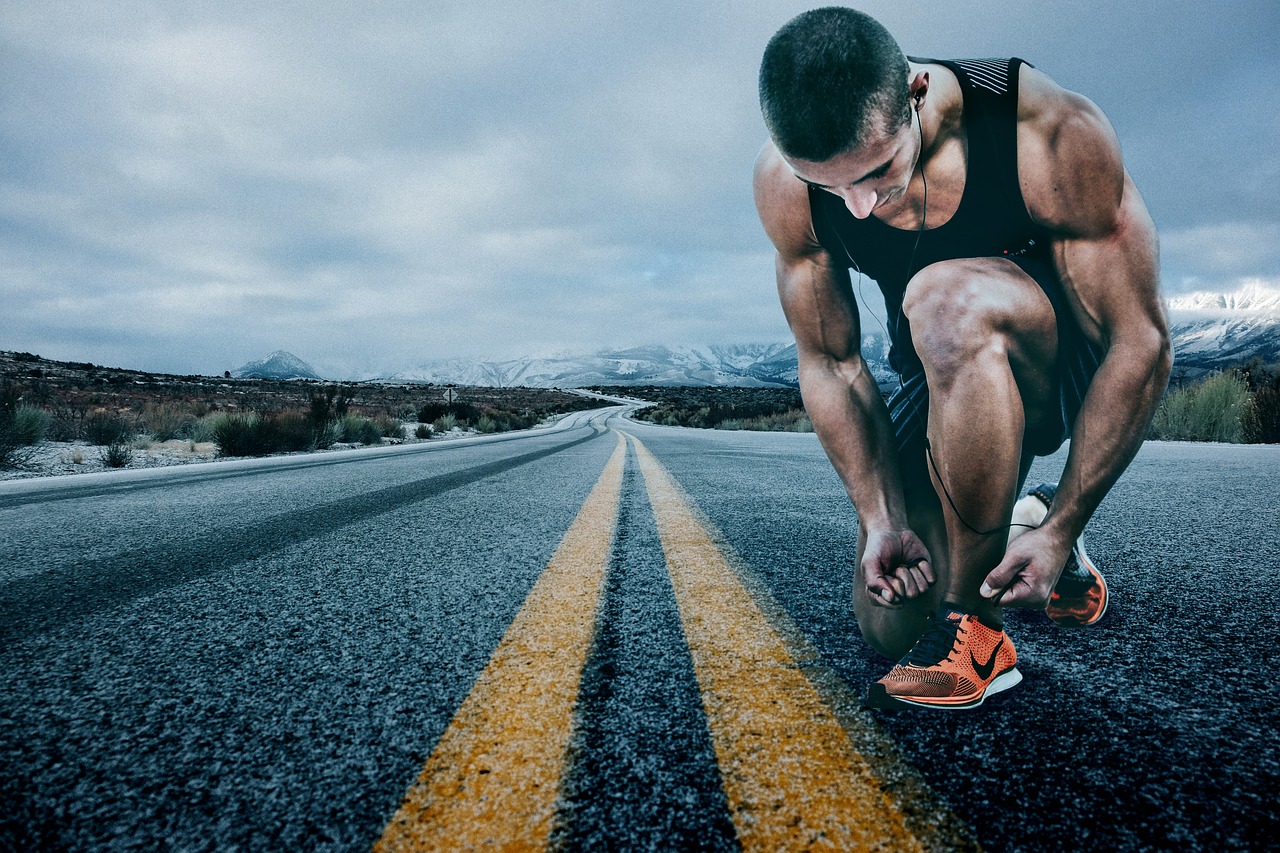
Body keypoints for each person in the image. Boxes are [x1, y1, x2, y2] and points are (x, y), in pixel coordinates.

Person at [753, 7, 1171, 709]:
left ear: (916, 94)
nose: (857, 207)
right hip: (940, 369)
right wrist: (881, 517)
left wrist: (1073, 517)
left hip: (1056, 364)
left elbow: (1141, 340)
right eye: (832, 187)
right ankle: (1023, 530)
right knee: (888, 619)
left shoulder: (1046, 133)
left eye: (879, 170)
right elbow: (831, 361)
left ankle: (977, 632)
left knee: (942, 299)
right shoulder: (788, 184)